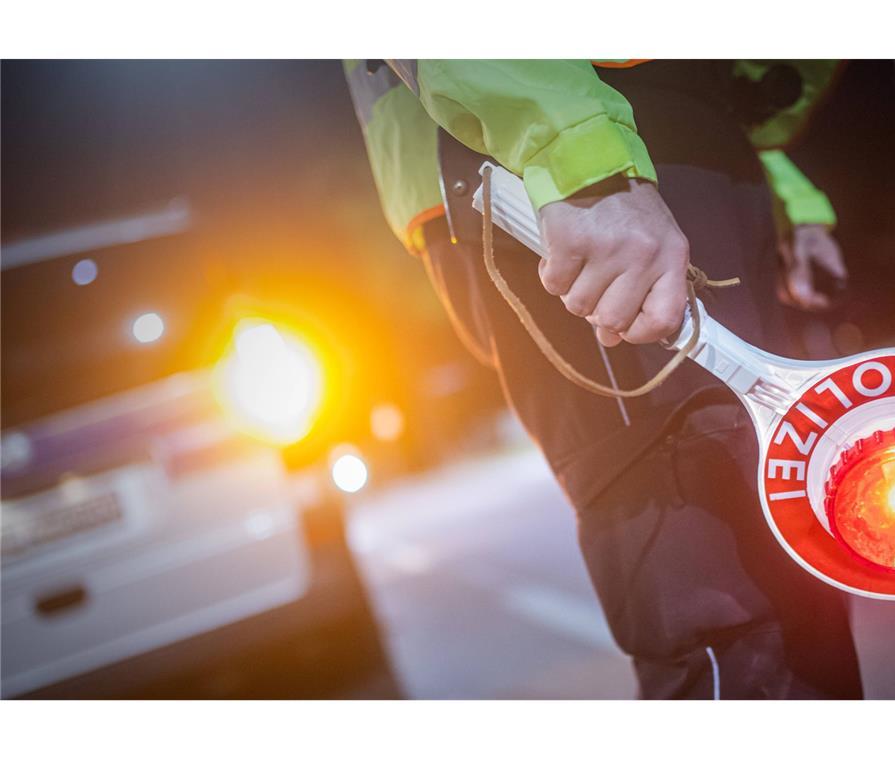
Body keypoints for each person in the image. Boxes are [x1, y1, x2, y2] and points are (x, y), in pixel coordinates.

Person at [345, 59, 862, 699]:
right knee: (724, 597)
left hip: (675, 128)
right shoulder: (576, 142)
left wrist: (783, 191)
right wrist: (580, 164)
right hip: (560, 132)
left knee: (798, 565)